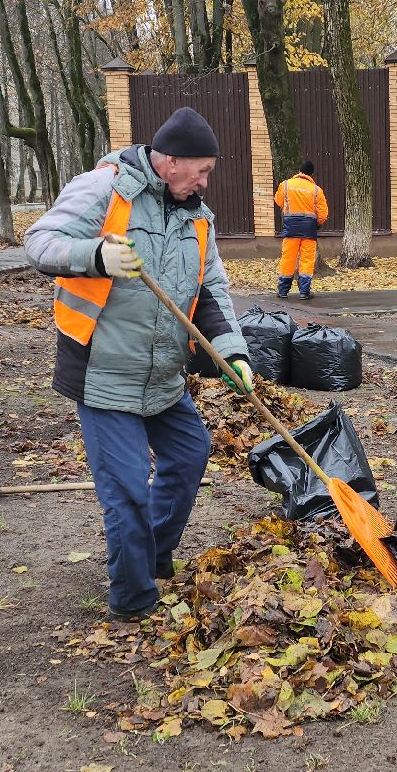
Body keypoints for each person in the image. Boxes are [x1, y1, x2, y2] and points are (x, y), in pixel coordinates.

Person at [25, 106, 257, 622]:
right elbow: (39, 243)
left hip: (162, 374)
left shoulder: (196, 214)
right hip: (105, 370)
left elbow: (210, 288)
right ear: (168, 161)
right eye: (200, 170)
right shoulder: (105, 188)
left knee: (191, 454)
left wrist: (233, 352)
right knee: (127, 489)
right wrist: (97, 256)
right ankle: (133, 598)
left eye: (208, 172)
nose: (204, 180)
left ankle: (151, 553)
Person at [273, 161, 329, 299]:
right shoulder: (316, 190)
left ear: (299, 171)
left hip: (291, 227)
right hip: (309, 230)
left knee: (288, 258)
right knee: (307, 259)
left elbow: (278, 201)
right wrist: (317, 223)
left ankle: (283, 291)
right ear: (311, 174)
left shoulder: (285, 185)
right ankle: (304, 292)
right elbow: (323, 213)